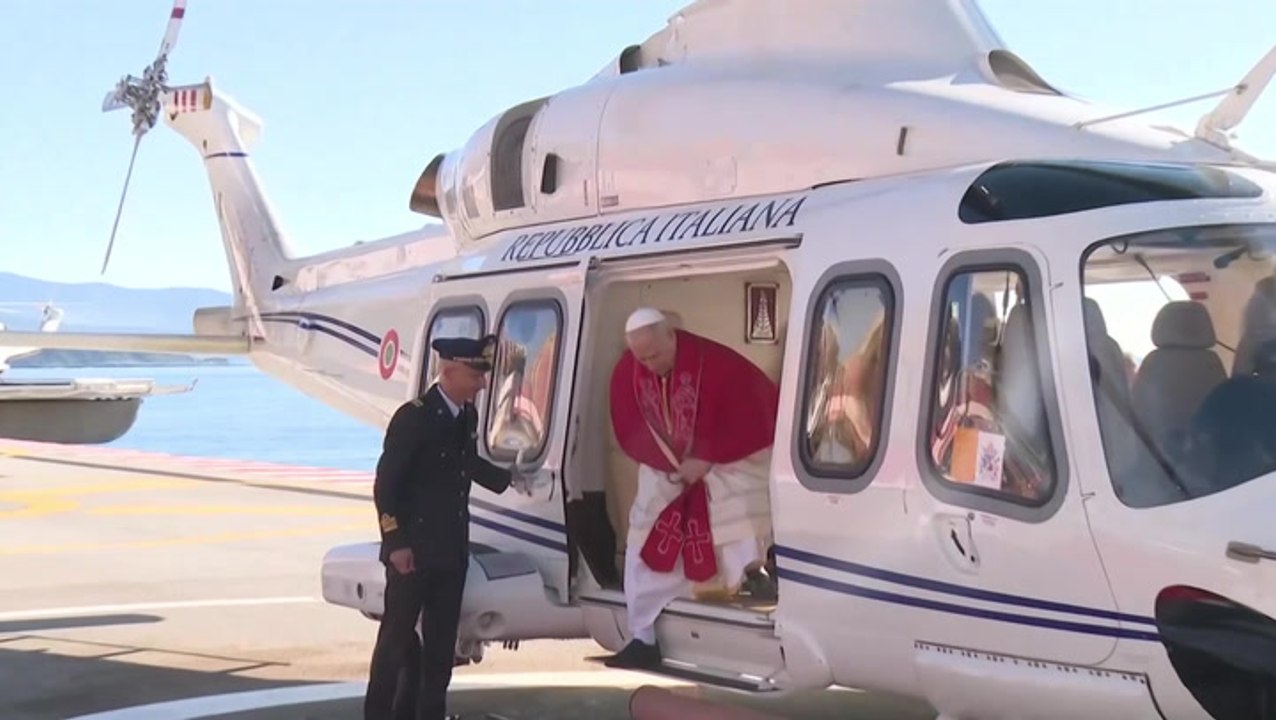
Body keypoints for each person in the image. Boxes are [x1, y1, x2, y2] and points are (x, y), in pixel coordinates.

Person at [604, 307, 780, 669]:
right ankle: (643, 637)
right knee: (644, 539)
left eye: (655, 354)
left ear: (672, 336)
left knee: (741, 509)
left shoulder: (714, 363)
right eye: (642, 358)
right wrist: (671, 463)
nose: (650, 365)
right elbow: (630, 424)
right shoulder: (629, 371)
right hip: (663, 470)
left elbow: (755, 412)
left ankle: (751, 574)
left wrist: (707, 455)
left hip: (722, 463)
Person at [364, 334, 520, 720]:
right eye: (475, 374)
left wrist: (509, 478)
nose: (482, 383)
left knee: (440, 648)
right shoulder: (414, 416)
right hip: (412, 553)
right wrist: (395, 541)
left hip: (450, 552)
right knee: (395, 644)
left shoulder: (466, 415)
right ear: (448, 371)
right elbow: (387, 484)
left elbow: (464, 463)